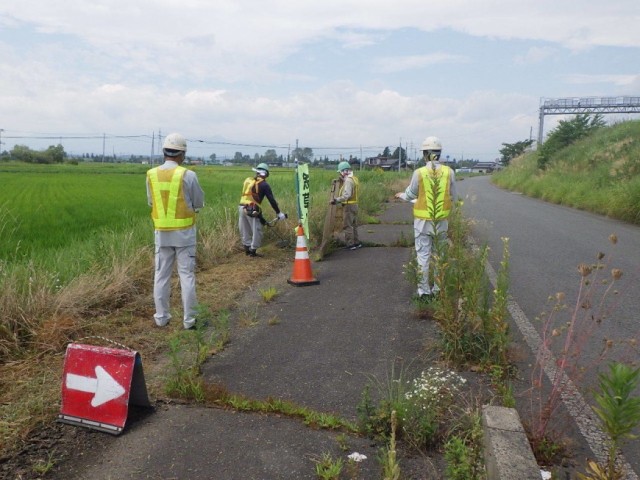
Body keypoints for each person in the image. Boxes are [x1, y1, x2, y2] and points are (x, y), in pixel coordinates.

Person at [146, 132, 205, 329]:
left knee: (161, 275)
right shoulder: (188, 175)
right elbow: (198, 202)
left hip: (161, 233)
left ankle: (161, 318)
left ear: (164, 151)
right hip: (184, 234)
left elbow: (150, 202)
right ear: (182, 154)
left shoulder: (151, 174)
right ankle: (190, 320)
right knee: (186, 276)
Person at [395, 136, 457, 299]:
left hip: (422, 223)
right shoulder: (449, 172)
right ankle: (438, 290)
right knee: (439, 256)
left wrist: (403, 195)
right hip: (441, 222)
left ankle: (424, 292)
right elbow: (454, 197)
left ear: (425, 154)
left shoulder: (420, 173)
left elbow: (411, 194)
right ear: (439, 153)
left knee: (423, 256)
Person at [238, 163, 286, 257]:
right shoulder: (264, 185)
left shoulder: (248, 180)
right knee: (257, 230)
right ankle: (253, 251)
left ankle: (247, 250)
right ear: (265, 174)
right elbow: (271, 200)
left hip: (241, 207)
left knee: (245, 229)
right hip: (252, 209)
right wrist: (279, 213)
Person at [331, 161, 361, 250]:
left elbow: (346, 195)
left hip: (348, 206)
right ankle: (356, 242)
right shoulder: (354, 178)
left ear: (344, 171)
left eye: (340, 172)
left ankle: (350, 244)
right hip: (355, 205)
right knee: (354, 225)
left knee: (347, 225)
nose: (340, 174)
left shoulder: (348, 180)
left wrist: (336, 200)